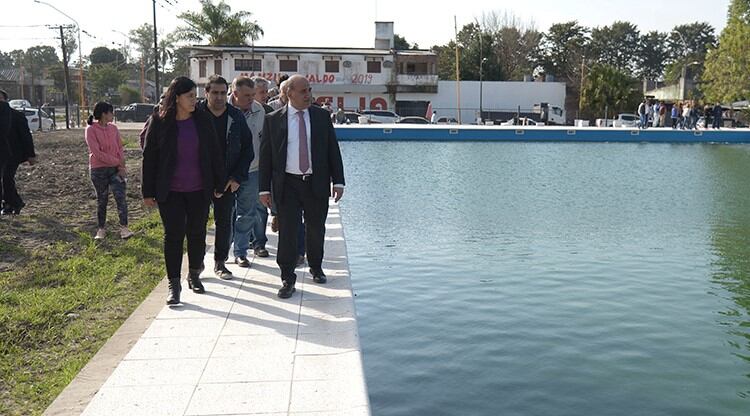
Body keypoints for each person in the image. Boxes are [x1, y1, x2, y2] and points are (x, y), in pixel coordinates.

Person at [259, 74, 345, 299]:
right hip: (287, 184)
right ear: (289, 94)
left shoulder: (321, 116)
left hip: (315, 182)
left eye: (309, 90)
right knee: (287, 232)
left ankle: (316, 267)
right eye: (303, 91)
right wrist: (264, 189)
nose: (308, 94)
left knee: (316, 228)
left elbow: (332, 150)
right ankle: (287, 278)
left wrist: (339, 181)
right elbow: (266, 156)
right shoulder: (274, 119)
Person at [142, 76, 226, 305]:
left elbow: (215, 154)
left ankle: (195, 274)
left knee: (197, 233)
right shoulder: (159, 122)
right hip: (171, 191)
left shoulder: (203, 120)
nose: (194, 101)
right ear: (176, 98)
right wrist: (147, 191)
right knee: (173, 236)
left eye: (195, 96)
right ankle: (174, 283)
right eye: (190, 96)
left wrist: (220, 184)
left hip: (199, 189)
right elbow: (149, 157)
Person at [200, 74, 253, 280]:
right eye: (215, 93)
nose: (220, 97)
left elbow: (248, 150)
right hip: (199, 180)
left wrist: (237, 177)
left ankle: (220, 262)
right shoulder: (196, 115)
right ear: (206, 93)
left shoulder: (236, 116)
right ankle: (196, 267)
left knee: (224, 223)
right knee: (197, 224)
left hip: (227, 180)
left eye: (223, 93)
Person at [229, 76, 269, 267]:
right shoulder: (221, 109)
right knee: (226, 213)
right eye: (247, 96)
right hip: (226, 173)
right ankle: (222, 254)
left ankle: (241, 252)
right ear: (235, 94)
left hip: (252, 170)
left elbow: (262, 141)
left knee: (247, 213)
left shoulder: (259, 110)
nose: (251, 99)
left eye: (253, 95)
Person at [85, 101, 133, 240]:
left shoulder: (114, 129)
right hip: (98, 170)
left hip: (115, 169)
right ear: (104, 114)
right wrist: (117, 161)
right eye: (111, 112)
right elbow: (97, 153)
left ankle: (124, 227)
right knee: (102, 199)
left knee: (121, 197)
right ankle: (101, 229)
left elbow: (119, 148)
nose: (113, 114)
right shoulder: (91, 129)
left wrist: (121, 166)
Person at [0, 89, 36, 215]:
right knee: (5, 179)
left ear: (5, 100)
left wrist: (31, 155)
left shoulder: (16, 115)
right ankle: (10, 203)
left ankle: (14, 202)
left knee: (7, 178)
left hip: (13, 153)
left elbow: (26, 136)